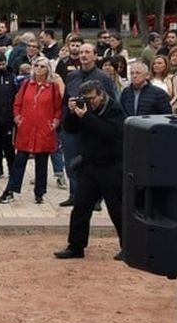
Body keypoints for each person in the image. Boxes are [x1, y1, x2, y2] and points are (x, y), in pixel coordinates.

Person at [54, 81, 126, 260]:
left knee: (117, 209)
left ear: (101, 95)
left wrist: (86, 116)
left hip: (112, 166)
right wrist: (72, 113)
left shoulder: (114, 110)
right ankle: (75, 246)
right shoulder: (85, 109)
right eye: (85, 99)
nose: (89, 102)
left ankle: (129, 247)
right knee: (80, 207)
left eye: (92, 98)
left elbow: (108, 133)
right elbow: (70, 129)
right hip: (90, 165)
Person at [0, 58, 63, 205]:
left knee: (42, 163)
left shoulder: (52, 87)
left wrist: (54, 123)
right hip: (26, 129)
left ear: (48, 69)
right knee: (19, 161)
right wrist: (18, 118)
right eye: (36, 66)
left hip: (43, 129)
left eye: (42, 66)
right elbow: (17, 103)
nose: (39, 69)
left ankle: (39, 193)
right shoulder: (27, 84)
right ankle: (10, 190)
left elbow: (58, 108)